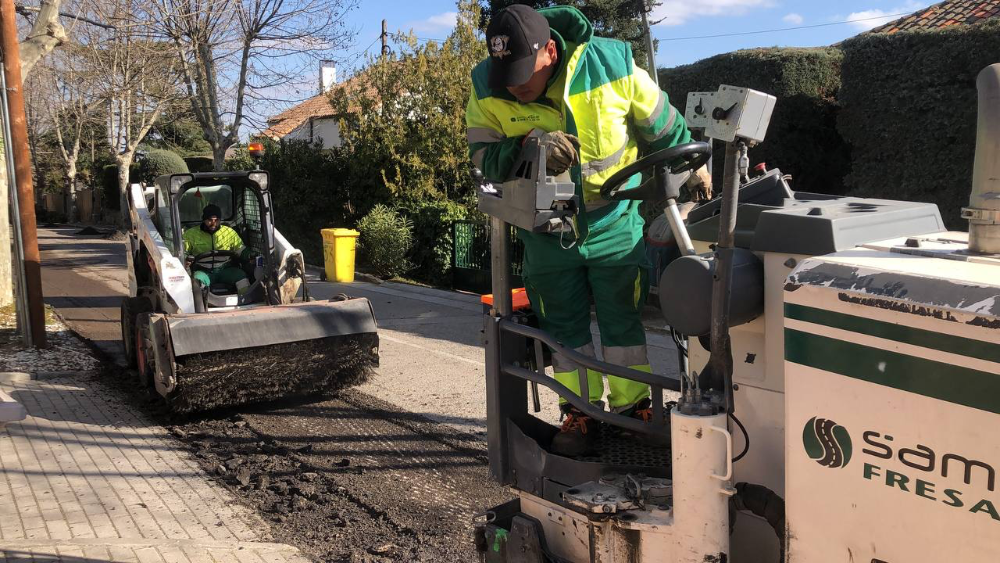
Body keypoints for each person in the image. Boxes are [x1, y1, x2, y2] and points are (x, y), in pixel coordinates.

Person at [466, 5, 712, 456]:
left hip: (613, 220)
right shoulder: (485, 85)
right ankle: (579, 411)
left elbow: (663, 125)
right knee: (563, 329)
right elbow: (484, 158)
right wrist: (529, 147)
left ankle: (633, 407)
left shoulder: (612, 65)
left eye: (523, 75)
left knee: (622, 322)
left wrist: (694, 166)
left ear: (550, 51)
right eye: (507, 76)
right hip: (546, 230)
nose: (515, 89)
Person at [183, 204, 249, 292]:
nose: (213, 223)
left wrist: (250, 255)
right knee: (196, 281)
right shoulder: (191, 234)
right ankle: (201, 300)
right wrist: (186, 259)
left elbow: (241, 250)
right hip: (203, 271)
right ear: (204, 220)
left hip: (225, 269)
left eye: (216, 220)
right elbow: (183, 252)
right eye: (210, 220)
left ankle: (245, 299)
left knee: (241, 277)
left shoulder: (229, 232)